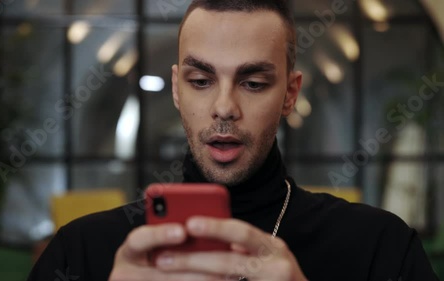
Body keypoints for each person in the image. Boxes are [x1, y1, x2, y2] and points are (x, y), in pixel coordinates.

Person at [27, 0, 439, 280]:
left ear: (290, 94)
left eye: (254, 82)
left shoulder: (380, 248)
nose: (224, 107)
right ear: (176, 89)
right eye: (201, 81)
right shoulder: (79, 253)